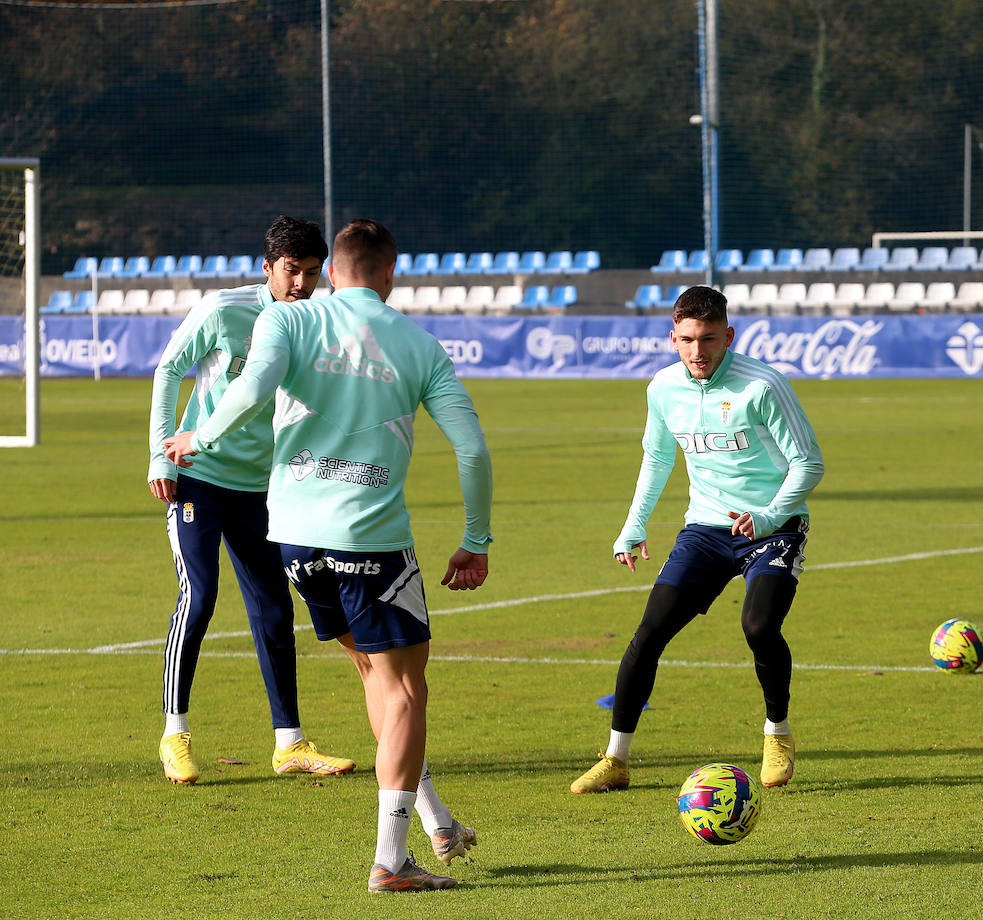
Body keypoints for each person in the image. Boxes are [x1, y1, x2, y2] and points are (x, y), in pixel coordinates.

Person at [163, 218, 494, 893]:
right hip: (371, 540)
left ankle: (435, 817)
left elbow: (250, 391)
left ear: (333, 272)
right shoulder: (420, 344)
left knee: (374, 673)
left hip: (292, 536)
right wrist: (476, 538)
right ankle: (392, 861)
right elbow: (473, 450)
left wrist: (197, 436)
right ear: (390, 273)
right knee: (406, 689)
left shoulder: (289, 322)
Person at [571, 285, 824, 794]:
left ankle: (777, 732)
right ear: (672, 338)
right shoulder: (663, 388)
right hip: (706, 529)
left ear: (728, 335)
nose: (698, 351)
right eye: (687, 339)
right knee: (650, 632)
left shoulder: (764, 385)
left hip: (771, 528)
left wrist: (770, 516)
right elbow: (658, 458)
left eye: (709, 339)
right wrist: (633, 524)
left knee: (758, 625)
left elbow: (808, 463)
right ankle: (615, 759)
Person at [148, 215, 355, 784]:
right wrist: (159, 456)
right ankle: (175, 733)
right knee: (201, 594)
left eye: (313, 274)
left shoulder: (317, 318)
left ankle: (289, 744)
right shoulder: (225, 310)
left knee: (273, 607)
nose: (301, 285)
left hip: (264, 489)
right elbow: (169, 369)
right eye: (292, 271)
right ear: (268, 267)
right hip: (196, 475)